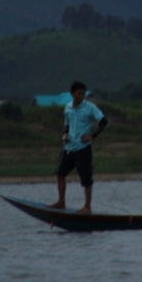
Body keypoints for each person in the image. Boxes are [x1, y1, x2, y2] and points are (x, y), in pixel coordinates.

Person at [48, 81, 107, 213]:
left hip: (83, 149)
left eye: (83, 93)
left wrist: (93, 136)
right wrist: (65, 134)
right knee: (60, 174)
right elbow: (66, 124)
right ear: (72, 93)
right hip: (68, 148)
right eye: (79, 93)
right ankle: (61, 202)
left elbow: (103, 121)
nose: (81, 96)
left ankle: (87, 206)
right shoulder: (68, 107)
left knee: (86, 179)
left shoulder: (90, 107)